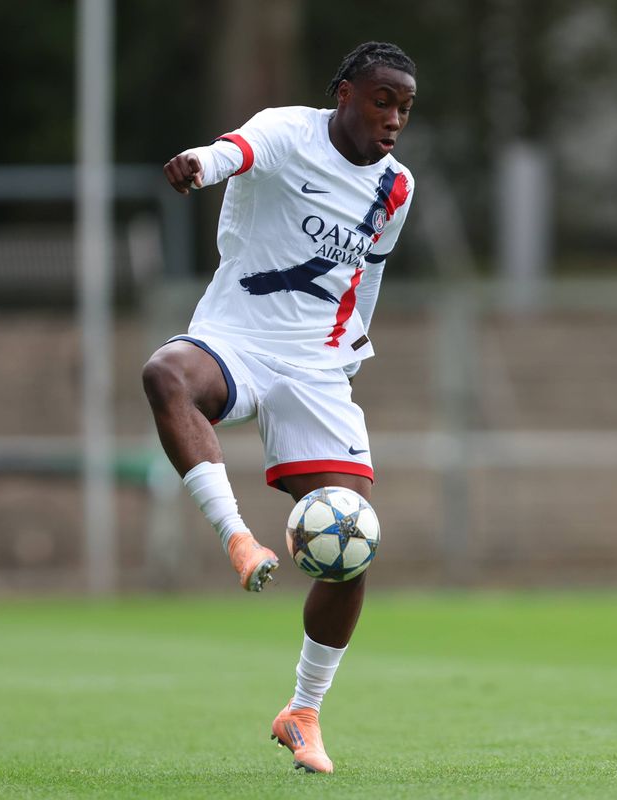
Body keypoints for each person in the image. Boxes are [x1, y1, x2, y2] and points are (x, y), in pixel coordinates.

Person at [142, 41, 417, 774]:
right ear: (344, 94)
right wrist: (197, 165)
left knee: (352, 547)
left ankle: (303, 712)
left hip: (319, 367)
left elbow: (368, 276)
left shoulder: (397, 188)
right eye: (382, 100)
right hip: (237, 335)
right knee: (167, 373)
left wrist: (351, 348)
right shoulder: (287, 130)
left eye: (405, 107)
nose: (393, 119)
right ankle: (236, 538)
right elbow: (230, 152)